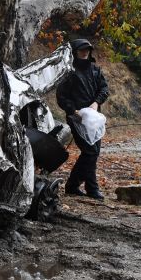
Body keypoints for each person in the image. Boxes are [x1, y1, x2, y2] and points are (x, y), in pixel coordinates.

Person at [57, 38, 109, 200]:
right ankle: (92, 188)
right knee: (90, 152)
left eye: (87, 49)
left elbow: (104, 89)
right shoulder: (69, 72)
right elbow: (61, 96)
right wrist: (74, 110)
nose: (85, 52)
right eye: (81, 49)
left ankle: (72, 185)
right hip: (77, 118)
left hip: (94, 119)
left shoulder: (95, 70)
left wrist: (96, 103)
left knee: (92, 153)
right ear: (75, 52)